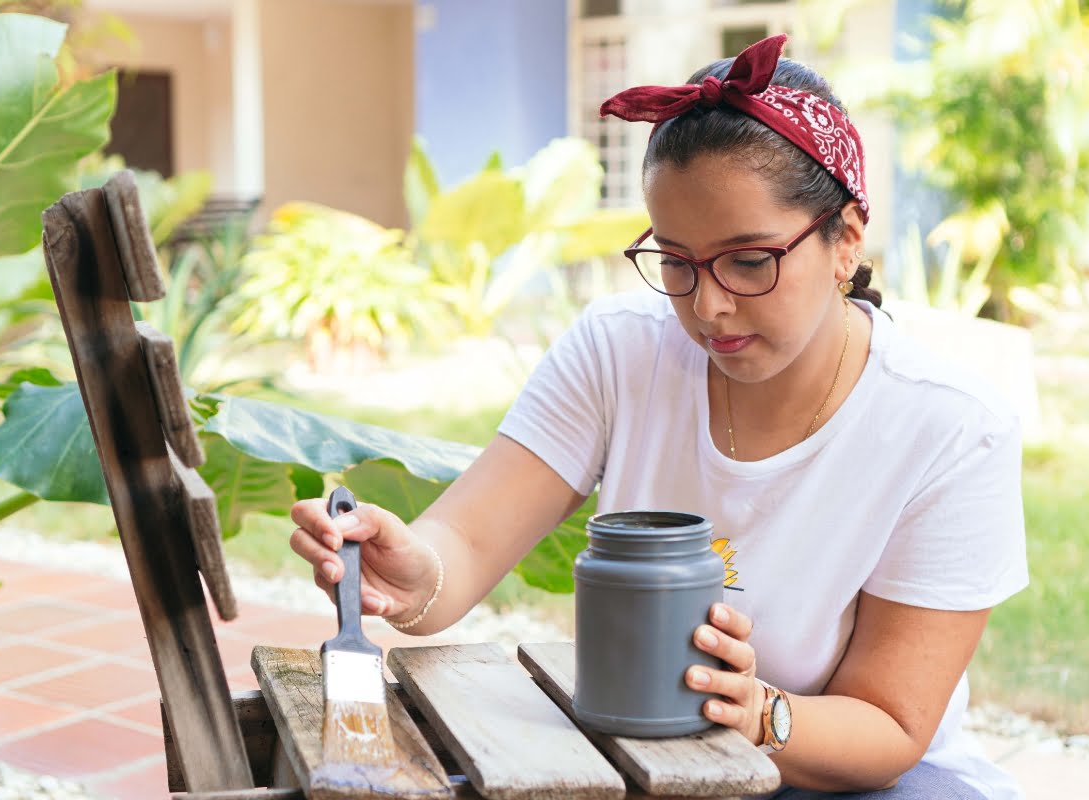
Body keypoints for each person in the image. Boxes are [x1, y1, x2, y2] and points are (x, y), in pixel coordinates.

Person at [289, 34, 1028, 799]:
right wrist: (413, 576)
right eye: (676, 262)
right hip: (653, 754)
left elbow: (891, 725)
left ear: (844, 240)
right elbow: (465, 542)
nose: (707, 307)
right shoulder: (619, 353)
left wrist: (758, 713)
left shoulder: (948, 428)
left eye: (750, 261)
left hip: (849, 779)